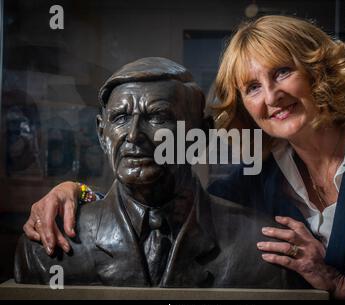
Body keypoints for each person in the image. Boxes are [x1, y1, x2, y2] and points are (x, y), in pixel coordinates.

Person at [23, 16, 345, 299]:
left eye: (282, 72)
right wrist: (75, 191)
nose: (271, 96)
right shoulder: (254, 178)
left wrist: (339, 284)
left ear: (319, 71)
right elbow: (176, 200)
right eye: (252, 87)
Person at [15, 57, 307, 289]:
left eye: (158, 116)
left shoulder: (263, 251)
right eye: (120, 118)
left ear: (200, 134)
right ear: (102, 134)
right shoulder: (46, 249)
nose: (132, 136)